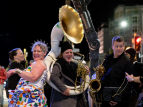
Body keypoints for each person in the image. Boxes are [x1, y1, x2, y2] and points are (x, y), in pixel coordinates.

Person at [6, 41, 48, 107]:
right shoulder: (36, 63)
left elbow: (32, 77)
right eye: (34, 51)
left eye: (38, 51)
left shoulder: (39, 62)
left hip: (32, 100)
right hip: (30, 98)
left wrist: (16, 70)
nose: (36, 53)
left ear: (44, 53)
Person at [50, 41, 89, 107]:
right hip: (63, 101)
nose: (69, 54)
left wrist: (85, 72)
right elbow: (53, 76)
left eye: (71, 52)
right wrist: (64, 89)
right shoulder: (59, 63)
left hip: (74, 99)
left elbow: (77, 78)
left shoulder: (73, 64)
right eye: (67, 53)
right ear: (62, 54)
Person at [99, 36, 134, 107]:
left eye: (121, 46)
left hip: (119, 102)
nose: (118, 48)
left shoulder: (127, 61)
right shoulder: (108, 58)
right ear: (112, 46)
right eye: (116, 46)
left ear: (124, 46)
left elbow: (127, 84)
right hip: (105, 98)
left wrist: (117, 98)